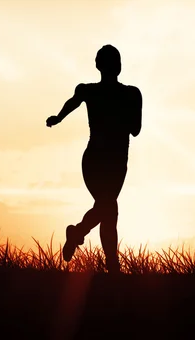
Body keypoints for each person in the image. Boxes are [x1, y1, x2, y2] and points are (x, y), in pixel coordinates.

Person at [46, 45, 142, 273]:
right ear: (117, 66)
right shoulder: (122, 93)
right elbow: (135, 129)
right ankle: (111, 265)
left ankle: (80, 236)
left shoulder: (124, 94)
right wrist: (58, 117)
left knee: (108, 208)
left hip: (114, 162)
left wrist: (58, 118)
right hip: (100, 160)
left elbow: (135, 129)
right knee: (108, 207)